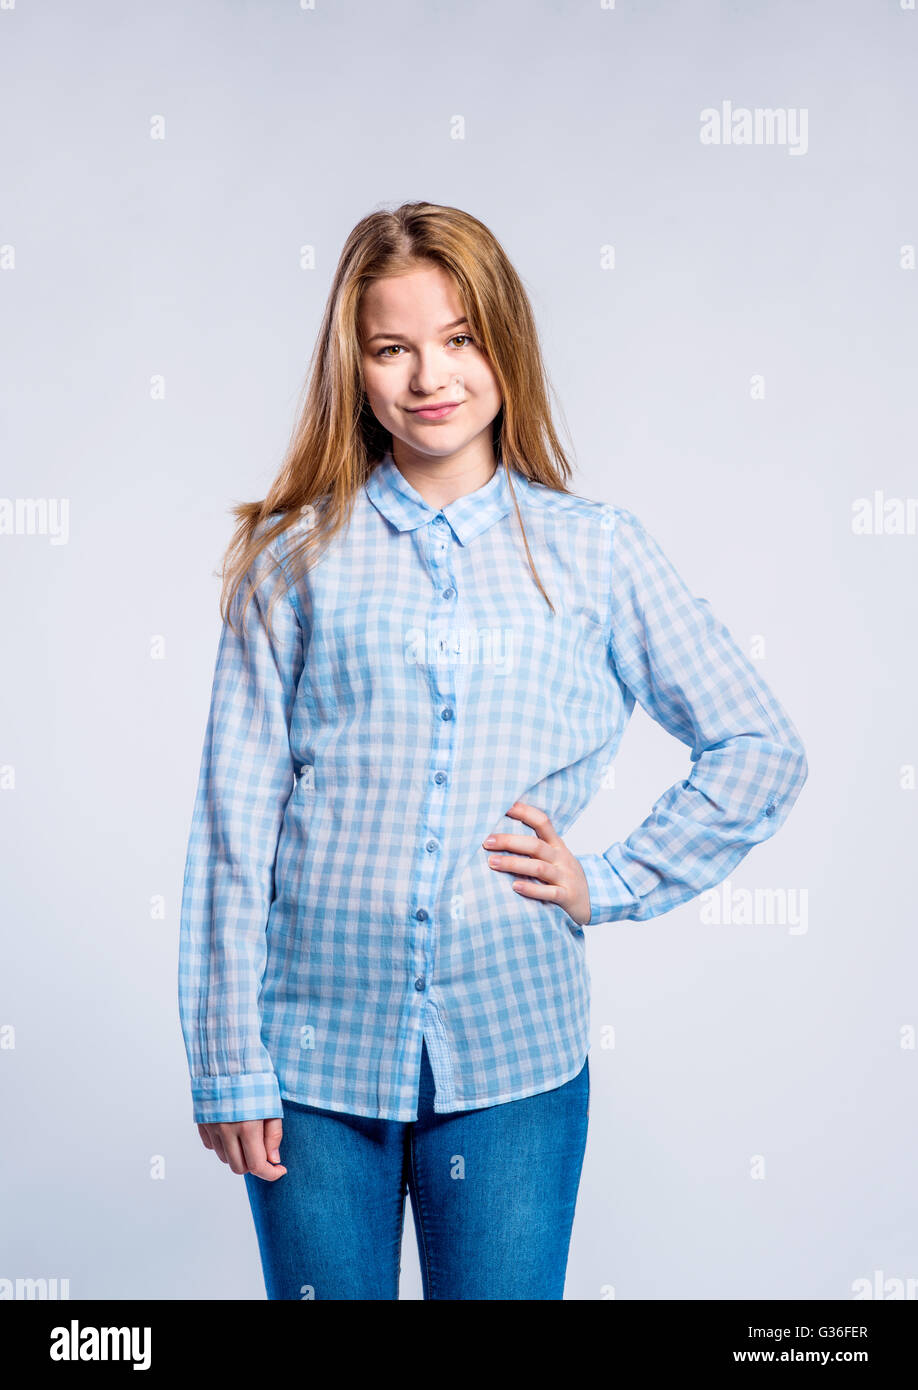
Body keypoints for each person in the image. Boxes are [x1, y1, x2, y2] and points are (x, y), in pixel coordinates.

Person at [177, 200, 808, 1301]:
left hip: (516, 1064)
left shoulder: (597, 552)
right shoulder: (291, 558)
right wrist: (227, 1056)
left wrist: (608, 881)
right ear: (356, 369)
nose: (432, 376)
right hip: (314, 1067)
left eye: (460, 339)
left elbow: (759, 743)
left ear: (503, 345)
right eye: (394, 347)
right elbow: (236, 826)